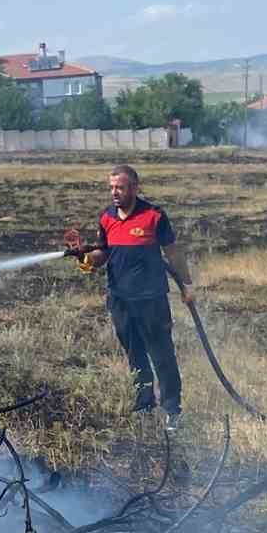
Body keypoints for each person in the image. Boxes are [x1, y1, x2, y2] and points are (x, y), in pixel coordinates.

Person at [65, 164, 195, 431]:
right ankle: (144, 406)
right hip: (120, 300)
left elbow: (173, 253)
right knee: (135, 354)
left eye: (120, 188)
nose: (114, 192)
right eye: (111, 187)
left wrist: (187, 285)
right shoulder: (107, 217)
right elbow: (103, 254)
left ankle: (172, 410)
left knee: (162, 354)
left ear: (134, 188)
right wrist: (84, 257)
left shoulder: (154, 216)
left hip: (151, 300)